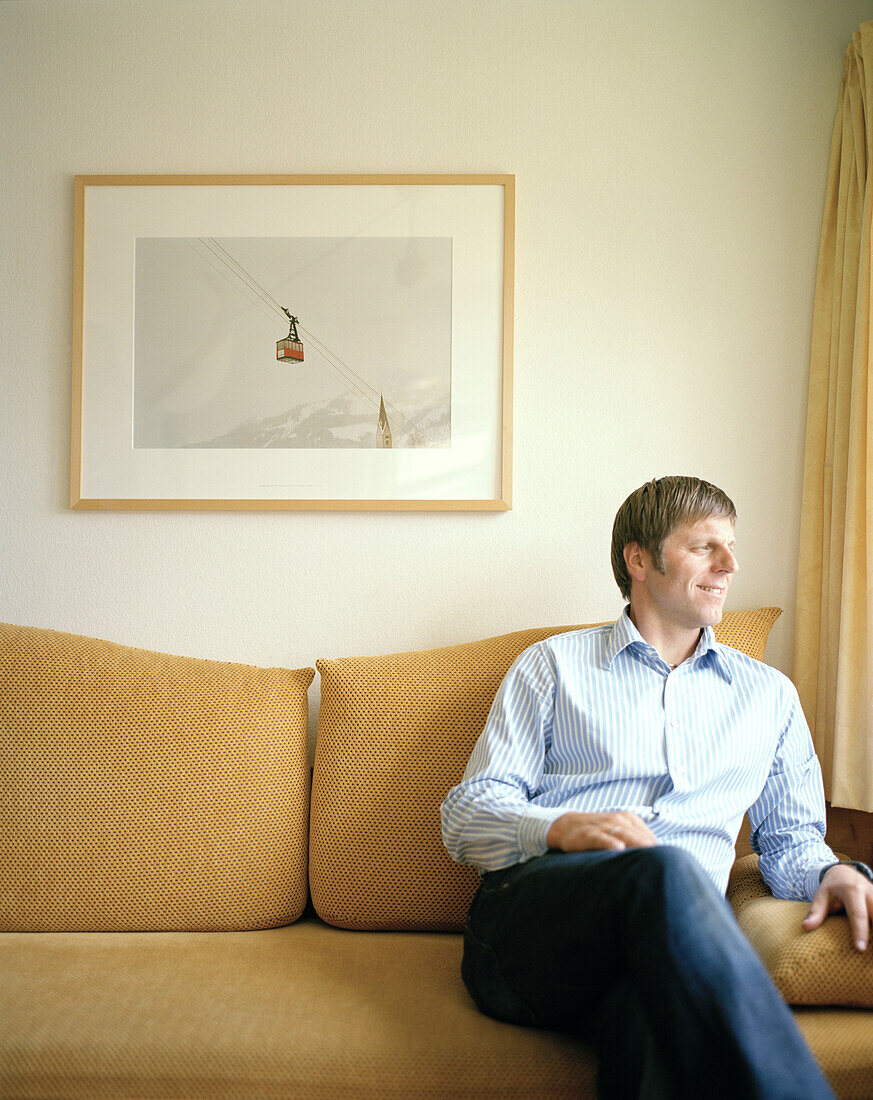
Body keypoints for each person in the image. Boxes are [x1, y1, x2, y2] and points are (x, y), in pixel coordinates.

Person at [441, 475, 873, 1100]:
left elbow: (790, 843)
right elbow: (465, 816)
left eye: (731, 546)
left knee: (649, 1026)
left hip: (666, 948)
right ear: (638, 559)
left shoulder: (769, 697)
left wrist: (834, 873)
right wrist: (558, 828)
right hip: (536, 921)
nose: (730, 565)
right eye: (705, 547)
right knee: (661, 870)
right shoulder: (553, 666)